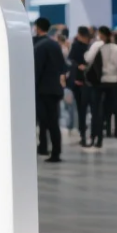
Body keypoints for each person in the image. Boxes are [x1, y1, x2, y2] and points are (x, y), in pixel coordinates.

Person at [83, 26, 117, 148]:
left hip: (99, 82)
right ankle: (114, 131)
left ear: (100, 34)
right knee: (113, 110)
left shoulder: (97, 46)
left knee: (96, 111)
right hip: (113, 83)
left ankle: (96, 137)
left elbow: (87, 58)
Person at [33, 17, 67, 162]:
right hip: (55, 89)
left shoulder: (37, 46)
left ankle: (46, 148)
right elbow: (63, 67)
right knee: (53, 122)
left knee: (44, 121)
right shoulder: (54, 45)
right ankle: (54, 151)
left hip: (43, 90)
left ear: (38, 27)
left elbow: (37, 69)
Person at [67, 27, 93, 146]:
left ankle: (83, 133)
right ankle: (84, 133)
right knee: (84, 110)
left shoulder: (77, 46)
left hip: (80, 82)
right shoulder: (87, 47)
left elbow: (70, 61)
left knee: (81, 109)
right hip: (85, 82)